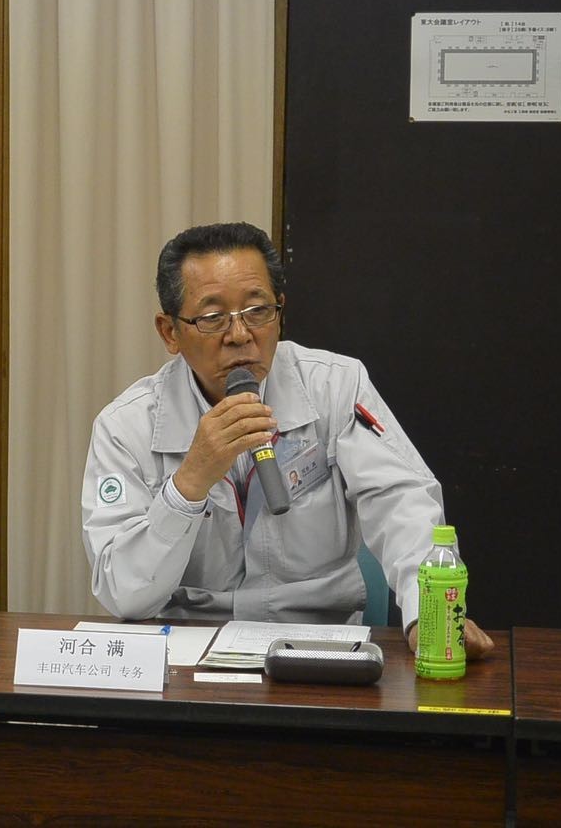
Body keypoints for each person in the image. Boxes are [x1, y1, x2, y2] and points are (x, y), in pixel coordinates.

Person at [81, 222, 492, 657]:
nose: (240, 335)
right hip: (187, 653)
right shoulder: (126, 426)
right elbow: (124, 593)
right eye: (213, 318)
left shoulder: (335, 386)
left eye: (257, 311)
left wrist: (426, 612)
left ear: (280, 311)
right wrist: (188, 484)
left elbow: (401, 502)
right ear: (170, 332)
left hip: (318, 647)